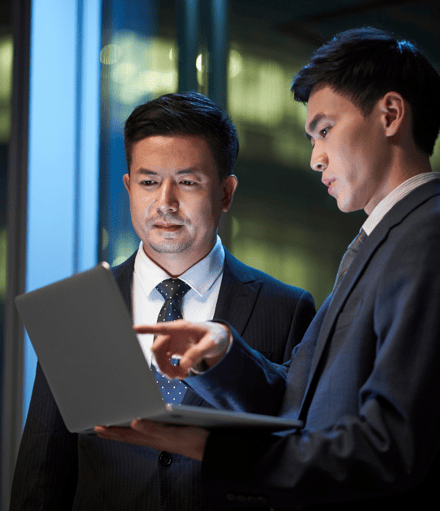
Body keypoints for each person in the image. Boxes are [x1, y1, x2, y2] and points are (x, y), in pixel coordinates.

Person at [95, 28, 440, 510]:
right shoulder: (382, 240)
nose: (316, 157)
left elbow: (390, 446)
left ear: (390, 114)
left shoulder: (424, 236)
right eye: (311, 137)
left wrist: (218, 453)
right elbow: (300, 402)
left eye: (324, 130)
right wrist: (223, 353)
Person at [9, 92, 315, 511]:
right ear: (129, 186)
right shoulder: (78, 308)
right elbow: (41, 474)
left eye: (188, 182)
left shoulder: (287, 308)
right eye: (149, 181)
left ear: (225, 193)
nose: (165, 203)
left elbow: (298, 456)